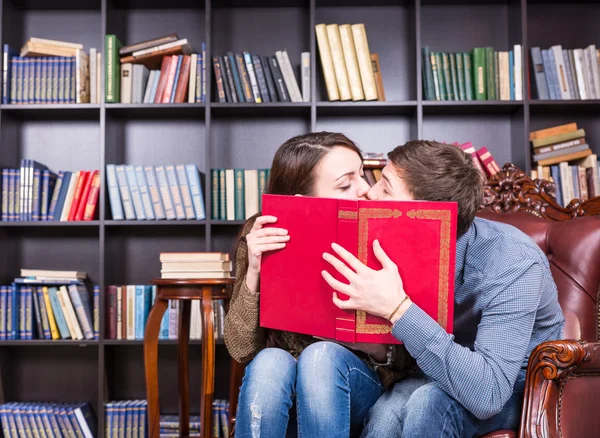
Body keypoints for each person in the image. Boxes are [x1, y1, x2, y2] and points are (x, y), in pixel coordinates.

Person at [321, 140, 565, 437]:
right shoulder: (392, 246)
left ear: (426, 217)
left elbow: (489, 393)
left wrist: (398, 309)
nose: (369, 193)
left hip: (518, 386)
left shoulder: (514, 262)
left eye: (385, 188)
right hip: (437, 370)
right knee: (386, 414)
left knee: (427, 403)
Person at [224, 132, 415, 438]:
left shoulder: (388, 226)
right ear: (303, 203)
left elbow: (414, 361)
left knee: (320, 357)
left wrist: (376, 349)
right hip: (286, 388)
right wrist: (255, 273)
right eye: (345, 183)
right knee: (270, 361)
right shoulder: (261, 232)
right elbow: (242, 349)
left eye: (362, 173)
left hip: (360, 385)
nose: (365, 189)